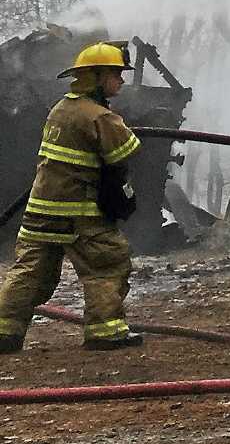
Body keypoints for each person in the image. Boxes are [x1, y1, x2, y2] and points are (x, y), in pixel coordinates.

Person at [0, 43, 145, 353]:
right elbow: (125, 153)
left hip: (40, 211)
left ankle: (5, 332)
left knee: (30, 273)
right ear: (97, 77)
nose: (121, 80)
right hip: (79, 212)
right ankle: (105, 331)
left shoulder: (60, 109)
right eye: (116, 73)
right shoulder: (99, 116)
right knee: (108, 264)